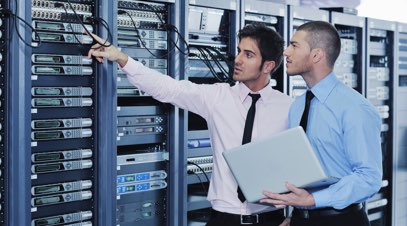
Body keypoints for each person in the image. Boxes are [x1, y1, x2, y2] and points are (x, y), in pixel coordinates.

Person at [88, 23, 292, 226]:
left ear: (268, 66)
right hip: (224, 218)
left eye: (248, 55)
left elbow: (305, 168)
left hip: (271, 219)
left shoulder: (289, 108)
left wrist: (294, 216)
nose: (237, 60)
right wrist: (122, 58)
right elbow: (169, 89)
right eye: (239, 51)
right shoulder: (218, 97)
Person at [260, 21, 382, 226]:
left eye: (294, 45)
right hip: (302, 218)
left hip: (342, 220)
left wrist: (313, 200)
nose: (286, 52)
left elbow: (369, 178)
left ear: (316, 55)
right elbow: (304, 168)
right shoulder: (298, 106)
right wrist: (298, 214)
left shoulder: (355, 108)